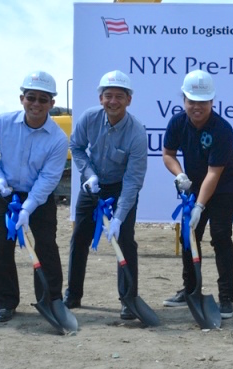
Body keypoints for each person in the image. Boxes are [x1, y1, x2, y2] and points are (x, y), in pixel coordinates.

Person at [0, 71, 68, 322]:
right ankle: (6, 303)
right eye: (32, 97)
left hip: (38, 198)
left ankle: (50, 300)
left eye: (43, 99)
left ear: (52, 103)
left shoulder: (58, 139)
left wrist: (28, 208)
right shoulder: (3, 123)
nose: (36, 104)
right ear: (22, 99)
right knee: (4, 246)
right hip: (5, 194)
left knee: (46, 246)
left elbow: (49, 179)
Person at [63, 70, 148, 320]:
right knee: (80, 237)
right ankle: (73, 294)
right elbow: (76, 147)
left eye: (119, 96)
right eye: (108, 95)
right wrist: (88, 174)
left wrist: (119, 217)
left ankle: (127, 298)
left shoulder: (136, 133)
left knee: (125, 240)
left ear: (129, 100)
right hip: (92, 185)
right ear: (101, 98)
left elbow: (133, 180)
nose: (113, 101)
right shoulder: (89, 118)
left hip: (122, 187)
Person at [162, 70, 233, 319]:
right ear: (184, 99)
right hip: (195, 183)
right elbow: (168, 154)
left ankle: (226, 297)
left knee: (220, 235)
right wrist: (179, 175)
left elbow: (214, 174)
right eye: (192, 101)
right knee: (189, 237)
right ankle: (190, 290)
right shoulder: (177, 122)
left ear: (212, 102)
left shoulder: (222, 129)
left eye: (203, 101)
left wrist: (199, 206)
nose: (197, 106)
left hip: (224, 186)